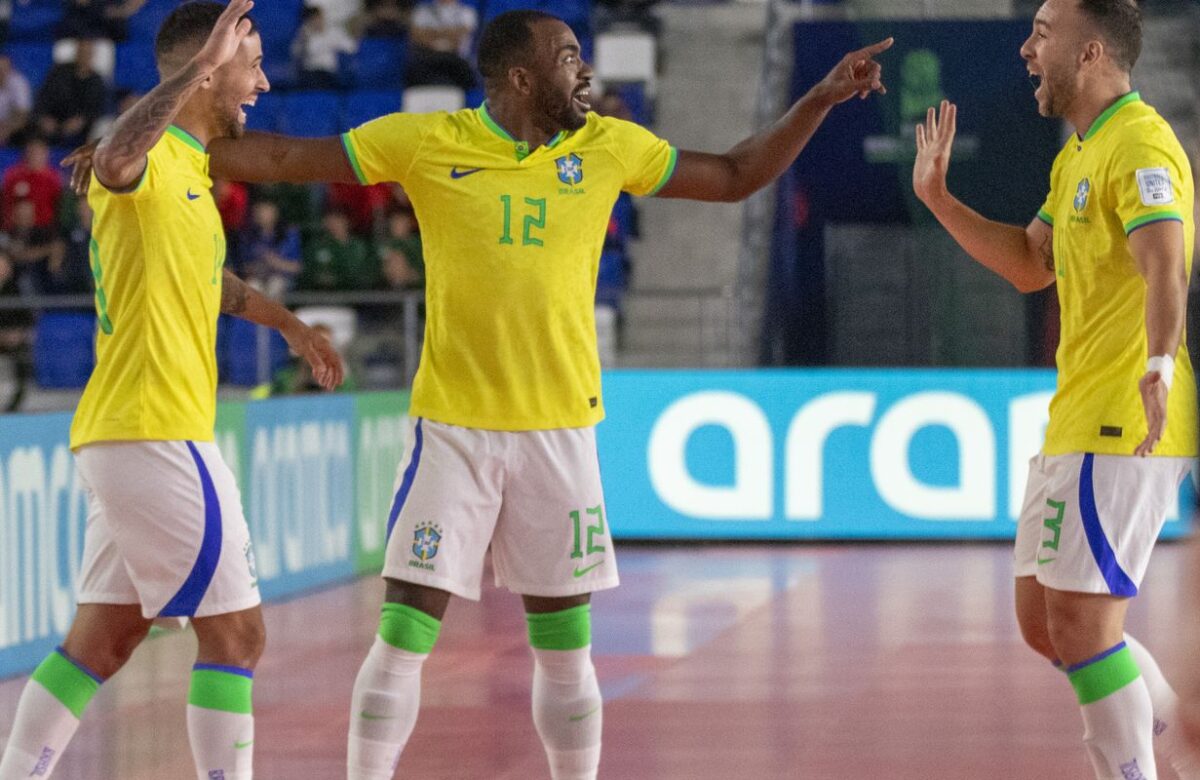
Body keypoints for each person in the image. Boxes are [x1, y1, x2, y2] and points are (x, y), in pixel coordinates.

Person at [68, 10, 889, 778]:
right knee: (402, 638)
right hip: (452, 433)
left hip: (559, 432)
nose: (586, 71)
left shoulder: (609, 146)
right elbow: (278, 157)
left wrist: (817, 97)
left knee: (566, 651)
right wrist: (129, 156)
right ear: (519, 79)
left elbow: (738, 174)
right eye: (568, 57)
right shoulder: (430, 142)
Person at [0, 3, 342, 780]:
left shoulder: (189, 166)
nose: (261, 80)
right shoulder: (144, 159)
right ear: (209, 68)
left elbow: (206, 281)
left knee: (103, 641)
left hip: (131, 435)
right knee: (238, 638)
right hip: (156, 432)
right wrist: (191, 70)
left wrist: (290, 324)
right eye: (249, 63)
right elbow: (119, 161)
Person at [912, 1, 1198, 778]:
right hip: (1076, 418)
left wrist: (1162, 362)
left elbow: (1165, 261)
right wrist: (940, 198)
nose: (1026, 47)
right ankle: (1185, 743)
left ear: (1092, 50)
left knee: (1082, 624)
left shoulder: (1138, 143)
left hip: (1125, 412)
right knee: (1046, 624)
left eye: (1043, 32)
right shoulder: (1078, 154)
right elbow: (1030, 265)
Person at [32, 38, 108, 146]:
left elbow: (98, 108)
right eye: (81, 52)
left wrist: (82, 121)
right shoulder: (59, 73)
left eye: (87, 53)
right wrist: (43, 117)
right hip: (53, 121)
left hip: (81, 127)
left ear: (92, 56)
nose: (84, 56)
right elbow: (43, 97)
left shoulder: (97, 81)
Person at [406, 0, 477, 91]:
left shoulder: (466, 12)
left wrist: (432, 33)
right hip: (427, 58)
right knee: (413, 70)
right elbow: (417, 36)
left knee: (465, 71)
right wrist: (449, 33)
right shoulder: (422, 12)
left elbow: (461, 37)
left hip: (457, 59)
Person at [1, 137, 62, 231]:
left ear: (46, 154)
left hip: (45, 228)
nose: (35, 156)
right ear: (26, 154)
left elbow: (58, 206)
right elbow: (6, 204)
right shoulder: (13, 176)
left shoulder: (53, 179)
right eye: (32, 152)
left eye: (39, 153)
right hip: (14, 228)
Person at [292, 5, 357, 91]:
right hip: (310, 72)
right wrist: (305, 40)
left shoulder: (333, 33)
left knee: (341, 85)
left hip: (330, 72)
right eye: (314, 19)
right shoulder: (304, 34)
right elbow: (299, 52)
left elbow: (351, 47)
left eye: (319, 18)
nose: (318, 21)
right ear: (309, 20)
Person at [0, 53, 31, 146]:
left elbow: (22, 114)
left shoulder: (19, 83)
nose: (1, 72)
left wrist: (6, 130)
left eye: (4, 69)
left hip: (11, 126)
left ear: (10, 69)